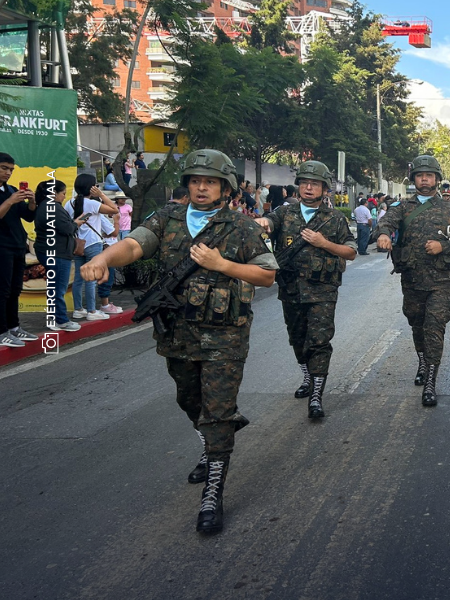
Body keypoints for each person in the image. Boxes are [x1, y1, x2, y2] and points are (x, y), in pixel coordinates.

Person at [80, 149, 277, 534]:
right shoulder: (167, 218)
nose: (201, 187)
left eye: (210, 181)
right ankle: (212, 442)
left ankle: (214, 488)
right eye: (195, 181)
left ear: (225, 187)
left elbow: (267, 275)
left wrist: (222, 265)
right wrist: (104, 257)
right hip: (177, 335)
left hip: (225, 335)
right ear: (187, 184)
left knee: (218, 410)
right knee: (190, 400)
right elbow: (135, 244)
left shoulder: (240, 227)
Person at [255, 161, 356, 418]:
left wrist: (324, 243)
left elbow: (351, 251)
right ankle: (307, 377)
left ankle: (316, 395)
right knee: (297, 338)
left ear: (324, 189)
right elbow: (269, 221)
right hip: (291, 289)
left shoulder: (334, 219)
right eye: (305, 183)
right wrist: (263, 222)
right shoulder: (284, 213)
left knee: (319, 341)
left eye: (315, 184)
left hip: (322, 290)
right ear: (298, 186)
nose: (309, 187)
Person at [375, 155, 450, 406]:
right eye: (420, 175)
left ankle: (430, 380)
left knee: (434, 328)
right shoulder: (402, 208)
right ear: (414, 180)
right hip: (412, 280)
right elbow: (386, 222)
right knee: (417, 325)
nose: (424, 179)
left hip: (441, 282)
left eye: (429, 175)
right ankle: (422, 361)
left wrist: (444, 246)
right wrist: (384, 235)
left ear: (437, 180)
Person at [0, 152, 38, 347]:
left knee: (15, 289)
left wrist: (32, 201)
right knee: (2, 290)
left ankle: (14, 327)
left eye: (11, 169)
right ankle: (0, 333)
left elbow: (27, 217)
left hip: (18, 245)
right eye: (4, 168)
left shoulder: (10, 189)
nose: (8, 173)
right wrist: (10, 201)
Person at [65, 174, 119, 321]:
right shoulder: (92, 204)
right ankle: (92, 311)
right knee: (91, 279)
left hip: (77, 245)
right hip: (93, 244)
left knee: (78, 279)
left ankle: (78, 309)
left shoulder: (68, 203)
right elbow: (114, 210)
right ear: (92, 188)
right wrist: (101, 194)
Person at [33, 180, 82, 332]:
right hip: (57, 253)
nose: (64, 196)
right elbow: (67, 228)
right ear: (53, 193)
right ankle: (60, 320)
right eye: (62, 193)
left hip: (48, 251)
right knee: (59, 288)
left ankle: (55, 318)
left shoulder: (43, 206)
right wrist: (76, 223)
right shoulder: (52, 207)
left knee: (54, 287)